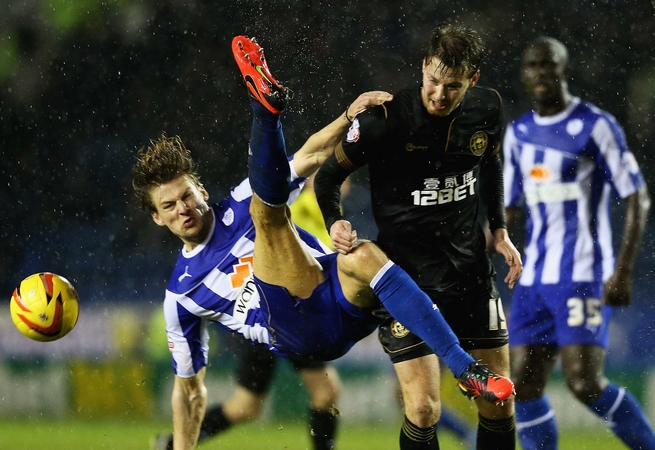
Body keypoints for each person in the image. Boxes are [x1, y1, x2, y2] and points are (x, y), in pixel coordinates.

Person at [131, 35, 514, 450]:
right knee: (268, 215)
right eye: (169, 206)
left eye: (186, 195)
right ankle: (266, 112)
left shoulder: (237, 201)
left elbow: (313, 157)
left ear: (202, 191)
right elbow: (189, 391)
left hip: (339, 295)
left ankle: (464, 369)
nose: (182, 208)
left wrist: (348, 115)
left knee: (364, 251)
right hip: (297, 326)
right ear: (157, 218)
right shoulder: (182, 294)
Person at [314, 23, 522, 450]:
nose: (440, 95)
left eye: (454, 86)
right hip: (405, 283)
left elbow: (492, 166)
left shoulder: (487, 108)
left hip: (470, 274)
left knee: (499, 404)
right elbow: (329, 176)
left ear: (473, 81)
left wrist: (499, 230)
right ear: (423, 66)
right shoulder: (383, 120)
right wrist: (333, 219)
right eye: (433, 81)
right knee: (424, 408)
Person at [502, 37, 655, 450]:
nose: (541, 72)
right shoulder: (518, 133)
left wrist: (623, 270)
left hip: (582, 272)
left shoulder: (596, 125)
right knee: (520, 385)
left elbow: (637, 197)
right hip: (534, 277)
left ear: (565, 71)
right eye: (533, 65)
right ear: (524, 74)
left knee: (584, 383)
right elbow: (508, 209)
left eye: (549, 65)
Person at [150, 332, 341, 450]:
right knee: (247, 406)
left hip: (297, 321)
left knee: (326, 392)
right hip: (261, 320)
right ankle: (174, 444)